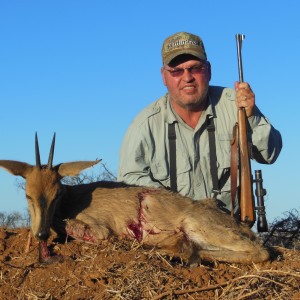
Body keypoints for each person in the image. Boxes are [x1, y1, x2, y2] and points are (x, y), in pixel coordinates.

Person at [117, 32, 282, 214]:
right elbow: (128, 182)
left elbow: (269, 154)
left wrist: (252, 117)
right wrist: (171, 207)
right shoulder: (144, 125)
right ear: (164, 76)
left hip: (230, 230)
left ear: (209, 70)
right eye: (177, 71)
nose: (187, 77)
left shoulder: (236, 104)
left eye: (195, 68)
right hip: (174, 233)